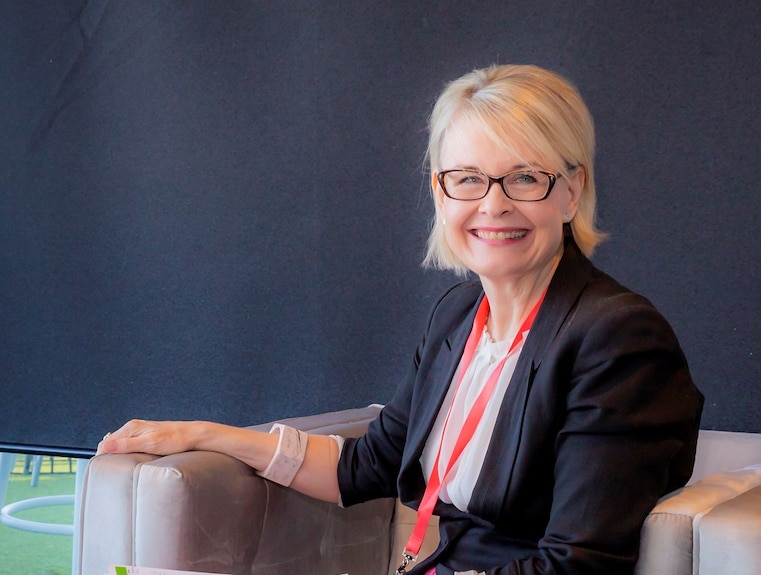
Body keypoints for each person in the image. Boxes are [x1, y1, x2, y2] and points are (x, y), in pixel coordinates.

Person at [97, 64, 704, 575]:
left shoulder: (618, 339)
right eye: (467, 179)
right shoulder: (460, 315)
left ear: (571, 192)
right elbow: (366, 467)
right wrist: (205, 434)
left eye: (524, 178)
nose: (493, 204)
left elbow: (578, 564)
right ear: (441, 195)